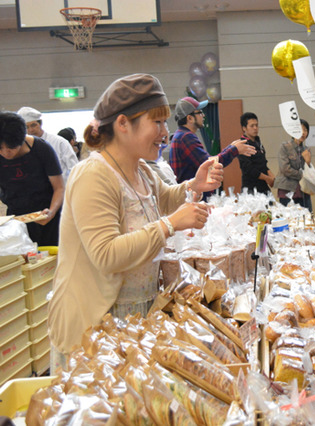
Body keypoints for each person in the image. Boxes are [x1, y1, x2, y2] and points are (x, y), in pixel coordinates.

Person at [48, 74, 223, 370]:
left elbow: (162, 199)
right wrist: (169, 225)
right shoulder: (94, 174)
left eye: (165, 123)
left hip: (134, 318)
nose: (164, 133)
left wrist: (194, 185)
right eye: (156, 123)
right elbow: (105, 254)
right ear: (122, 124)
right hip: (95, 327)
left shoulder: (140, 168)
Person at [0, 112, 64, 246]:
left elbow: (59, 187)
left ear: (22, 138)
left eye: (11, 147)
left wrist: (51, 212)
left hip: (46, 213)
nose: (6, 152)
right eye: (0, 148)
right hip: (16, 217)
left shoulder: (42, 149)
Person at [170, 97, 255, 185]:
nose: (203, 115)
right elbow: (210, 166)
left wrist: (231, 147)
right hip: (191, 196)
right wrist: (234, 150)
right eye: (200, 112)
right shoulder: (186, 137)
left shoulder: (181, 135)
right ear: (190, 118)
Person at [17, 107, 78, 181]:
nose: (31, 130)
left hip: (63, 189)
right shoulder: (20, 147)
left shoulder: (59, 142)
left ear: (40, 123)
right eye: (26, 127)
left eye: (33, 125)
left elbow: (74, 169)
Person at [273, 118, 312, 210]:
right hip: (287, 190)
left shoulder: (307, 149)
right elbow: (286, 170)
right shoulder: (285, 147)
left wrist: (308, 162)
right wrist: (302, 174)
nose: (303, 133)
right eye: (300, 129)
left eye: (305, 130)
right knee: (289, 220)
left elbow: (309, 171)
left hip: (303, 190)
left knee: (307, 218)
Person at [238, 112, 274, 195]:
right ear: (244, 128)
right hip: (250, 189)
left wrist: (271, 177)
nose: (255, 128)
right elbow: (248, 169)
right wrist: (267, 178)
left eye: (256, 125)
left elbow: (263, 163)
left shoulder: (258, 142)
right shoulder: (242, 145)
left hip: (263, 187)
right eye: (252, 126)